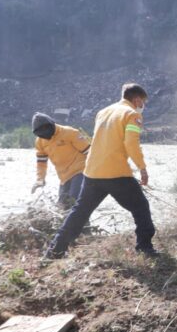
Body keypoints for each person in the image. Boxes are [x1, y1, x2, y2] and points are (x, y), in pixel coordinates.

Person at [45, 83, 159, 258]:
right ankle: (144, 247)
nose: (143, 106)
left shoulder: (103, 112)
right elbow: (131, 144)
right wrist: (142, 168)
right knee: (140, 207)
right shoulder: (132, 114)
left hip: (91, 172)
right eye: (143, 102)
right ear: (137, 99)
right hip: (116, 173)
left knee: (80, 212)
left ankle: (54, 251)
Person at [31, 112, 90, 207]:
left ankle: (83, 222)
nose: (46, 136)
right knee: (62, 206)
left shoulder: (70, 133)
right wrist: (40, 179)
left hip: (80, 171)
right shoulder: (40, 141)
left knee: (75, 202)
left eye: (46, 131)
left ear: (52, 125)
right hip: (64, 177)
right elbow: (41, 162)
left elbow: (89, 152)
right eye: (41, 134)